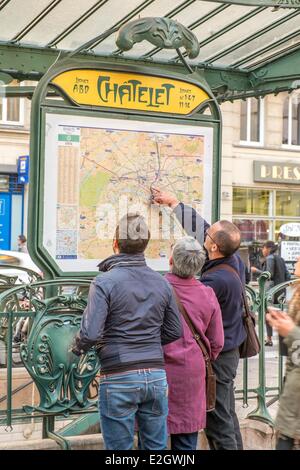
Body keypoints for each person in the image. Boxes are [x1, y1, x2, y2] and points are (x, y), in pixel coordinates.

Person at [72, 213, 182, 450]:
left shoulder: (104, 282)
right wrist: (149, 341)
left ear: (115, 243)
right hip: (155, 375)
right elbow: (175, 330)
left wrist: (77, 348)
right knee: (156, 449)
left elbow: (90, 333)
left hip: (118, 374)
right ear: (146, 245)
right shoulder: (162, 282)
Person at [151, 187, 246, 450]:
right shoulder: (233, 258)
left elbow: (204, 326)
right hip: (229, 349)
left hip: (221, 355)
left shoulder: (214, 281)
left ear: (213, 246)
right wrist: (175, 203)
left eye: (207, 235)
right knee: (226, 412)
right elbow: (202, 228)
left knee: (217, 418)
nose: (203, 233)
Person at [163, 236, 224, 451]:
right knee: (187, 440)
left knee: (154, 436)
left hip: (158, 370)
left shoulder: (158, 288)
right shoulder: (206, 294)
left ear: (171, 260)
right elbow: (217, 341)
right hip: (192, 372)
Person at [266, 255, 300, 450]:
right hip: (291, 409)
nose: (297, 257)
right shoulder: (297, 295)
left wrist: (291, 332)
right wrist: (286, 323)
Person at [252, 240, 290, 346]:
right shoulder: (281, 259)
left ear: (268, 248)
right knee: (279, 314)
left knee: (268, 315)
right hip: (281, 291)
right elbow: (288, 276)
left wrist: (256, 271)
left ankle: (269, 339)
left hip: (270, 292)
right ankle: (285, 340)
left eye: (263, 248)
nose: (262, 251)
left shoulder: (269, 258)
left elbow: (269, 274)